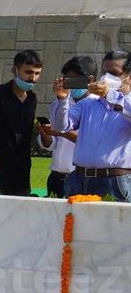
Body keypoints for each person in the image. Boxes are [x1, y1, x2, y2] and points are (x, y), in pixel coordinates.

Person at [0, 50, 43, 196]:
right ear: (15, 70)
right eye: (28, 72)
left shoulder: (32, 99)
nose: (33, 78)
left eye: (37, 73)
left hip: (22, 174)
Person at [61, 75, 131, 202]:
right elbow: (62, 125)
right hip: (79, 177)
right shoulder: (88, 102)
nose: (107, 77)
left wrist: (110, 94)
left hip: (114, 180)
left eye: (114, 72)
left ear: (129, 78)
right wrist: (62, 98)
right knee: (72, 220)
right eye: (105, 71)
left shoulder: (128, 104)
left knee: (111, 221)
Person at [46, 56, 95, 199]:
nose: (70, 85)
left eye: (75, 80)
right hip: (56, 176)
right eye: (67, 80)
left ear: (90, 80)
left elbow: (90, 141)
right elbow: (53, 143)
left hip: (81, 178)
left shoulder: (97, 105)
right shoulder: (60, 101)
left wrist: (62, 132)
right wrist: (46, 134)